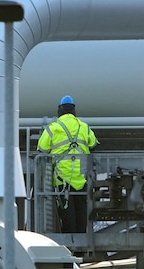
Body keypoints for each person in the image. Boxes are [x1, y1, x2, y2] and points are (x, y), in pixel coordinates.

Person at [37, 95, 98, 233]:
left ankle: (69, 245)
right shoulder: (84, 127)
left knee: (66, 212)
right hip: (81, 178)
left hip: (62, 179)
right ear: (74, 111)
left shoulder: (53, 128)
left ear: (60, 110)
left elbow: (42, 149)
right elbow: (93, 144)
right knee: (81, 210)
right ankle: (81, 240)